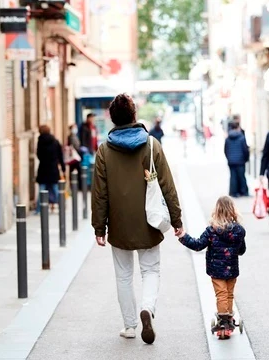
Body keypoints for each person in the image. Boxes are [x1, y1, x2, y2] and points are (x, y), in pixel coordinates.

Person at [91, 93, 183, 345]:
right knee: (151, 270)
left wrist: (99, 227)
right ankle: (147, 308)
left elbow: (99, 194)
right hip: (149, 222)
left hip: (119, 224)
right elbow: (167, 186)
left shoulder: (103, 151)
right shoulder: (152, 145)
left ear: (112, 119)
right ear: (134, 116)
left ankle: (130, 325)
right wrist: (176, 220)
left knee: (123, 276)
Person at [177, 196, 246, 339]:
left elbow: (197, 245)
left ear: (217, 211)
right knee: (229, 294)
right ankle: (229, 318)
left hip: (216, 270)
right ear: (233, 211)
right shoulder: (239, 231)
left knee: (221, 295)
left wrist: (183, 236)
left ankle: (223, 321)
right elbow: (241, 250)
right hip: (232, 269)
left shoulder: (212, 231)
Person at [36, 125, 65, 213]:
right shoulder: (55, 141)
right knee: (56, 189)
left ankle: (39, 209)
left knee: (42, 190)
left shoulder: (40, 142)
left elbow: (39, 155)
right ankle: (61, 206)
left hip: (43, 169)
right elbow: (60, 156)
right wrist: (63, 168)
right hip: (53, 169)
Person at [224, 122, 250, 197]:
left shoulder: (228, 138)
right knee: (241, 176)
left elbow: (225, 150)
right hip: (240, 160)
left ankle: (233, 192)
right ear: (238, 127)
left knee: (233, 177)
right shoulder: (241, 137)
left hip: (231, 161)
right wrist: (246, 158)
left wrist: (229, 158)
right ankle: (243, 191)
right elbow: (245, 149)